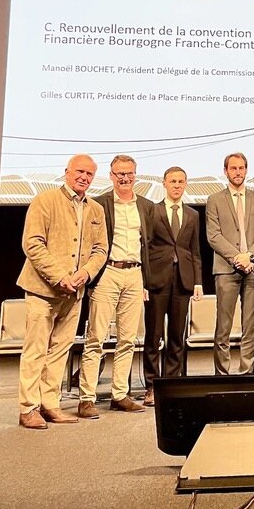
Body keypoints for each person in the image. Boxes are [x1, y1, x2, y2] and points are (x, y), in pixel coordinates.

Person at [15, 154, 108, 429]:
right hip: (43, 289)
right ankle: (28, 408)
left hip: (75, 291)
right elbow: (32, 244)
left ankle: (50, 405)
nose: (84, 177)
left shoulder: (95, 209)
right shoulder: (45, 201)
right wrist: (60, 277)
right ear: (67, 172)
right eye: (80, 171)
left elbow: (100, 249)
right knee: (36, 350)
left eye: (90, 174)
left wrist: (86, 273)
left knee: (60, 351)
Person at [78, 155, 151, 418]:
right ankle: (86, 397)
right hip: (107, 272)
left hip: (134, 273)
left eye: (129, 173)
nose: (124, 178)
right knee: (96, 337)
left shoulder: (145, 206)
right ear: (111, 175)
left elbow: (149, 245)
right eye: (119, 173)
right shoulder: (99, 204)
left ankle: (120, 394)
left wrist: (147, 281)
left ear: (135, 175)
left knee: (128, 339)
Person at [142, 166, 203, 405]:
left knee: (177, 335)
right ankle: (152, 386)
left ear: (185, 184)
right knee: (154, 335)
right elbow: (145, 248)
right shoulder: (152, 211)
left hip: (183, 280)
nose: (177, 185)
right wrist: (144, 281)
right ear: (164, 183)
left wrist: (198, 281)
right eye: (173, 181)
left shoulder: (192, 215)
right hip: (157, 279)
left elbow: (195, 251)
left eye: (181, 181)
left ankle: (171, 383)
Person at [205, 152, 254, 374]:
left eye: (241, 168)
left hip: (253, 267)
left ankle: (246, 373)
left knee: (250, 326)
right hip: (225, 268)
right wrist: (237, 258)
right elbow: (213, 236)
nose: (238, 172)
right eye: (233, 168)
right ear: (225, 171)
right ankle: (222, 374)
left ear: (246, 170)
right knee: (223, 326)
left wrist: (250, 256)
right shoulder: (214, 200)